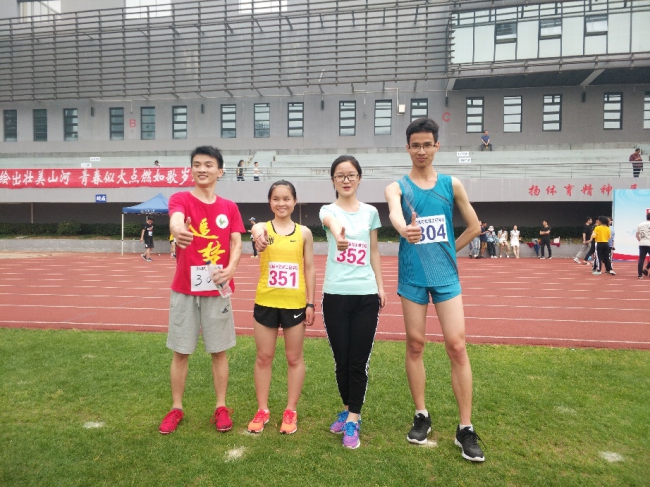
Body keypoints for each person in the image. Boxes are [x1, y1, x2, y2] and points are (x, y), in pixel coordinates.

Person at [384, 117, 484, 462]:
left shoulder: (451, 184)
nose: (422, 150)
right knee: (415, 344)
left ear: (437, 146)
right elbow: (395, 213)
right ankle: (421, 415)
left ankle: (465, 428)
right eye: (416, 145)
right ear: (407, 148)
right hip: (412, 276)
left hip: (446, 277)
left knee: (457, 345)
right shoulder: (396, 187)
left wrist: (449, 250)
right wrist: (404, 230)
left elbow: (474, 226)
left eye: (427, 144)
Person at [158, 145, 245, 435]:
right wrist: (178, 229)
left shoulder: (229, 207)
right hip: (184, 288)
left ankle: (221, 407)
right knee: (180, 351)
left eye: (208, 164)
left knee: (219, 351)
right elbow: (176, 219)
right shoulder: (181, 198)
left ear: (220, 171)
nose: (202, 169)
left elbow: (236, 242)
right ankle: (176, 408)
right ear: (191, 169)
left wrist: (231, 268)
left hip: (218, 288)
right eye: (196, 164)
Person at [320, 155, 386, 450]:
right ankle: (348, 409)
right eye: (340, 175)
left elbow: (374, 251)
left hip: (365, 295)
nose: (346, 180)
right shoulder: (328, 210)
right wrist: (338, 234)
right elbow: (331, 222)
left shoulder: (371, 212)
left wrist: (380, 286)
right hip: (335, 295)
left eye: (351, 175)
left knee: (358, 361)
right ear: (333, 180)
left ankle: (353, 419)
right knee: (342, 360)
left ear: (359, 178)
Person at [247, 180, 316, 436]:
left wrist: (311, 302)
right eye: (276, 199)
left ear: (294, 201)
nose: (281, 203)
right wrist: (257, 236)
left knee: (294, 358)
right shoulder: (263, 229)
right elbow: (256, 229)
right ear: (270, 202)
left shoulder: (304, 233)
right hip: (266, 302)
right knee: (263, 357)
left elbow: (310, 268)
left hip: (294, 304)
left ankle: (291, 410)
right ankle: (262, 409)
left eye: (286, 198)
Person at [636, 213, 650, 279]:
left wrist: (640, 241)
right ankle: (647, 268)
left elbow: (637, 235)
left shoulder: (640, 224)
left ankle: (640, 274)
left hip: (642, 243)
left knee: (641, 259)